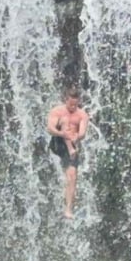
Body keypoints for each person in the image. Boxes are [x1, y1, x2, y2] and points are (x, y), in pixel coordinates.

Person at [46, 86, 90, 218]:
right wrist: (62, 133)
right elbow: (50, 128)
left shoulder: (82, 114)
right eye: (70, 104)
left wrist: (77, 137)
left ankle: (68, 209)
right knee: (65, 121)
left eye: (75, 105)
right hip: (57, 143)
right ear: (66, 100)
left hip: (72, 144)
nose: (72, 107)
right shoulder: (57, 111)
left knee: (72, 177)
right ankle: (70, 147)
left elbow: (82, 132)